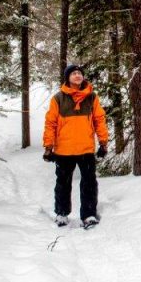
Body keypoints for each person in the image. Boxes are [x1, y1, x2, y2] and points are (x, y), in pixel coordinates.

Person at [43, 64, 109, 228]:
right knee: (63, 184)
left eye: (80, 73)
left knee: (89, 183)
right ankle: (62, 214)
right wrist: (48, 147)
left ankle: (88, 215)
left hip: (86, 149)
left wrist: (103, 143)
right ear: (68, 78)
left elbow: (99, 120)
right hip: (64, 150)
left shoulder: (92, 97)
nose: (78, 75)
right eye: (74, 73)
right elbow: (50, 123)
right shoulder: (58, 98)